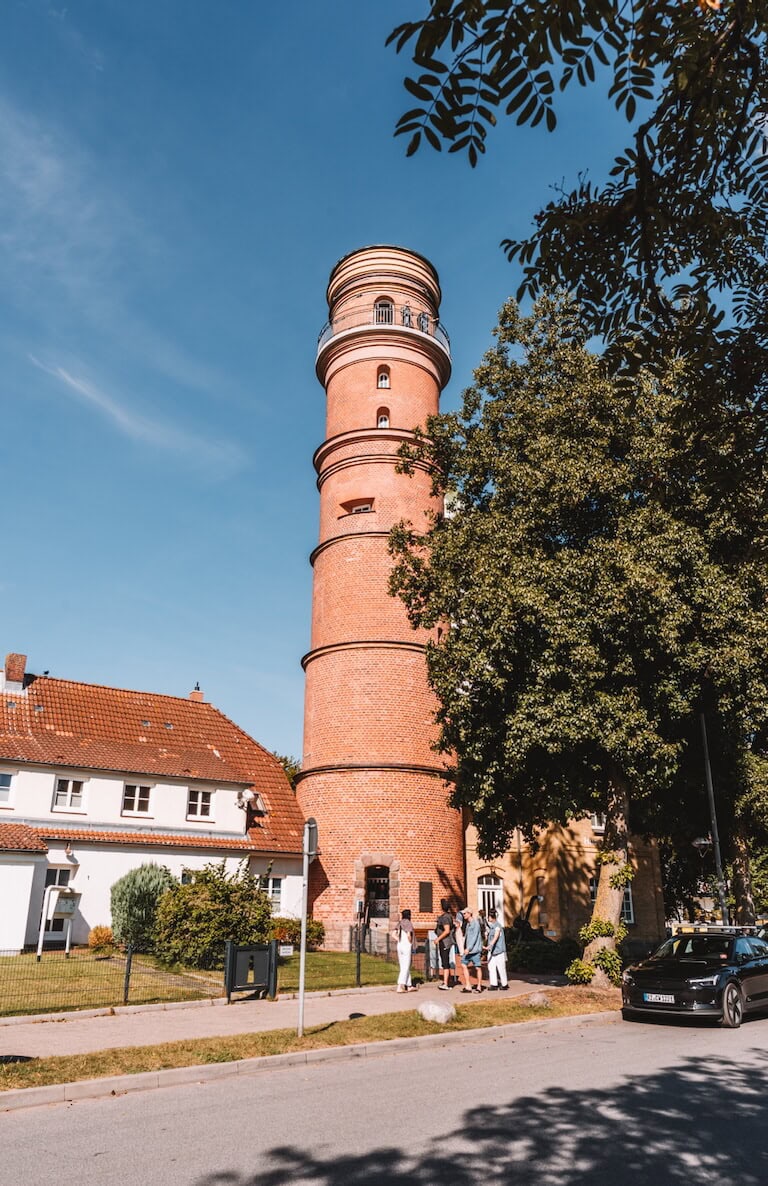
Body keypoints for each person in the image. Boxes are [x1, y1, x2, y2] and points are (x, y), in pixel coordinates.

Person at [461, 907, 484, 993]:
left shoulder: (475, 924)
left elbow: (474, 937)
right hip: (468, 950)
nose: (464, 915)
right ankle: (468, 985)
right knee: (463, 964)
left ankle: (479, 986)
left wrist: (468, 948)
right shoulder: (468, 924)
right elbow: (467, 937)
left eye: (465, 913)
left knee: (477, 967)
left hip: (474, 950)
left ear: (469, 913)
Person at [485, 909, 509, 991]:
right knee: (491, 967)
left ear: (492, 917)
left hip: (499, 951)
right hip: (492, 952)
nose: (488, 918)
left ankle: (504, 984)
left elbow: (496, 936)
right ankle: (494, 984)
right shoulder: (491, 927)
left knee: (501, 968)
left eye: (489, 916)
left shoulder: (497, 926)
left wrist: (490, 945)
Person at [395, 909, 417, 992]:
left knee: (403, 965)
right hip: (406, 945)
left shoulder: (400, 923)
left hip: (400, 945)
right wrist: (410, 941)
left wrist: (399, 940)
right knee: (406, 966)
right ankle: (400, 985)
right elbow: (409, 935)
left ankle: (409, 985)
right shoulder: (408, 923)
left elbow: (393, 934)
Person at [435, 897, 454, 990]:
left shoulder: (446, 917)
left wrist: (438, 939)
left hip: (445, 942)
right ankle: (446, 981)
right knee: (444, 960)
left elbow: (447, 931)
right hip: (444, 941)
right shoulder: (446, 916)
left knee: (445, 962)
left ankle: (446, 983)